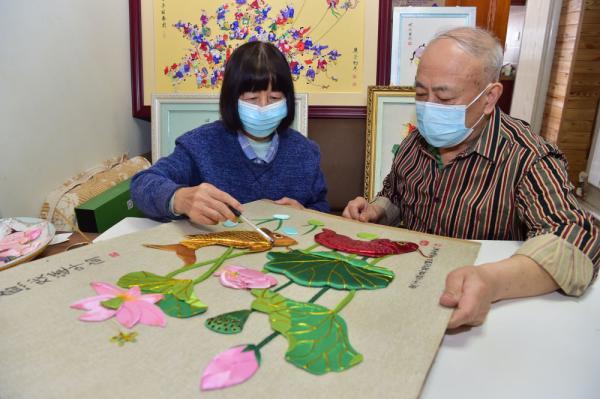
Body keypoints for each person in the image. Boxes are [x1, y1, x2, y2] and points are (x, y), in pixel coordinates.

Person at [343, 27, 600, 329]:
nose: (428, 108)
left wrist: (492, 281)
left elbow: (577, 237)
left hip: (485, 314)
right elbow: (396, 194)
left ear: (490, 97)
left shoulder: (528, 157)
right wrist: (376, 210)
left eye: (444, 97)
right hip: (411, 293)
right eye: (421, 93)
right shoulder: (415, 143)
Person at [131, 41, 329, 224]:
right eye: (252, 98)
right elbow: (142, 184)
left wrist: (305, 213)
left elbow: (321, 207)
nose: (263, 107)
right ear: (232, 99)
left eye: (274, 97)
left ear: (287, 99)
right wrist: (180, 198)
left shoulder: (306, 152)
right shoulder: (199, 145)